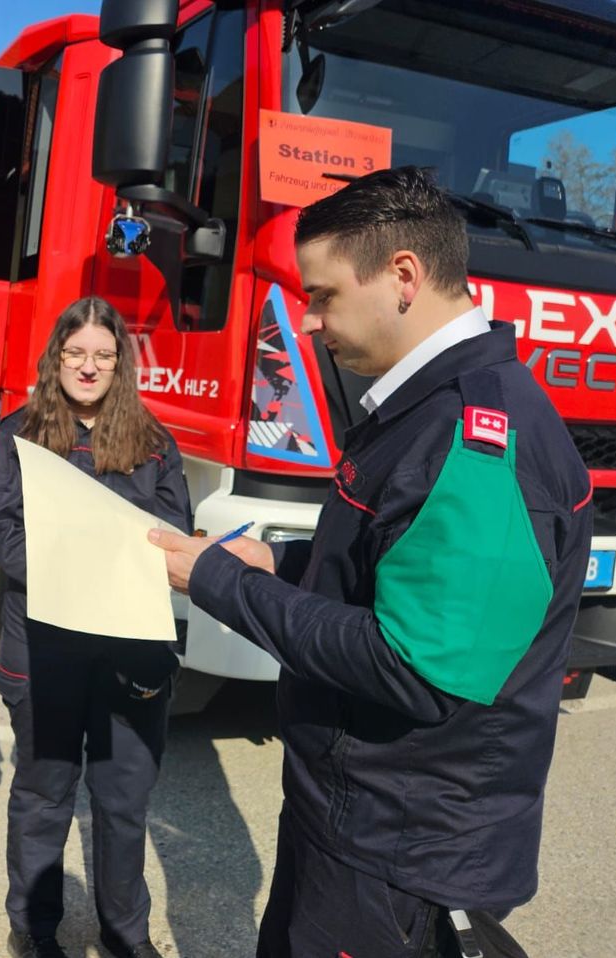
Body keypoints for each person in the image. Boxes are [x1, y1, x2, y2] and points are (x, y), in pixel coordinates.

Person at [151, 166, 592, 957]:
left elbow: (411, 669)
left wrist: (221, 581)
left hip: (398, 851)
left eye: (322, 296)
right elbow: (393, 561)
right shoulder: (426, 408)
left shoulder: (476, 440)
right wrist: (282, 561)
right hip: (359, 821)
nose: (309, 321)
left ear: (402, 277)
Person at [0, 296, 192, 958]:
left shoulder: (154, 441)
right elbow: (0, 529)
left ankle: (125, 935)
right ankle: (35, 928)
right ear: (57, 358)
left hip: (129, 652)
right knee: (44, 796)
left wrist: (131, 559)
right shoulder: (19, 433)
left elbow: (174, 532)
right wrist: (67, 572)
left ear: (120, 364)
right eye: (77, 354)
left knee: (123, 805)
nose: (89, 367)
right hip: (44, 647)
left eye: (104, 355)